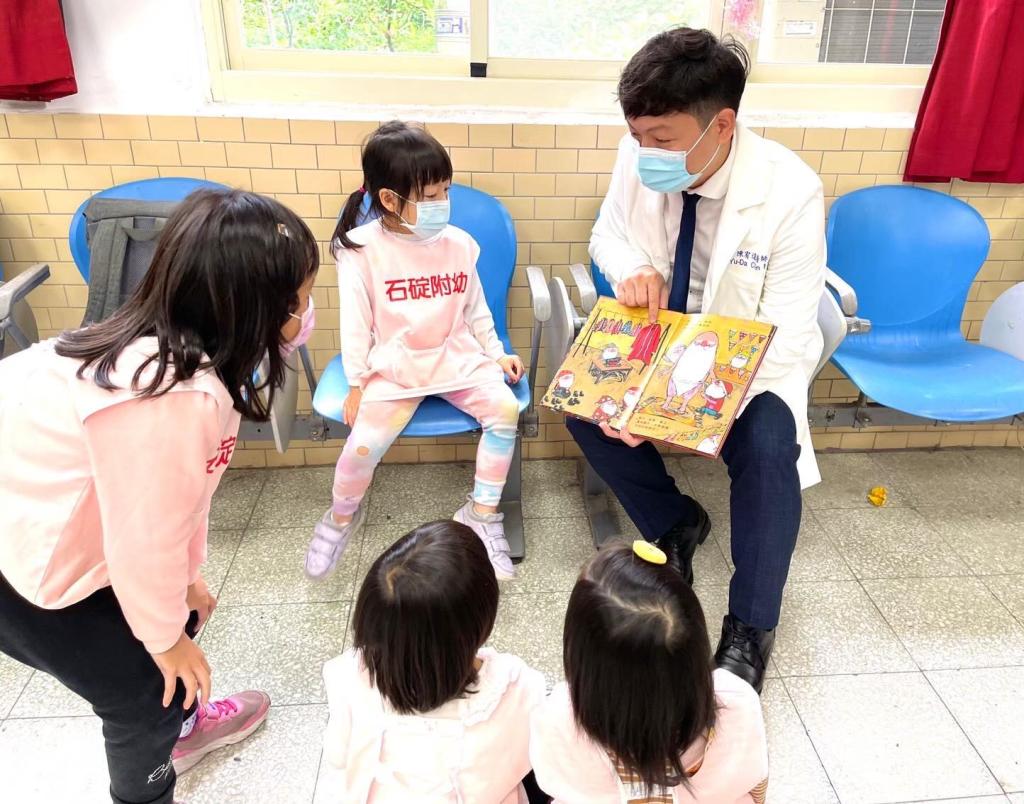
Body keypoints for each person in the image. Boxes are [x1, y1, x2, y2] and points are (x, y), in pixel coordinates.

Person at [0, 188, 320, 804]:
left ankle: (184, 725)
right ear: (256, 308)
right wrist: (164, 638)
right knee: (144, 690)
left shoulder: (180, 355)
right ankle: (150, 779)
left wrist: (185, 587)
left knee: (178, 613)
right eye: (301, 298)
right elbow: (145, 540)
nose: (306, 312)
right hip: (18, 549)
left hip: (45, 512)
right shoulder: (168, 397)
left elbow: (180, 502)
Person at [567, 27, 826, 692]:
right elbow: (607, 233)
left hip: (748, 367)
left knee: (769, 450)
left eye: (661, 138)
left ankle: (750, 627)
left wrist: (683, 409)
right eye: (637, 136)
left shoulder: (791, 191)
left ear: (723, 125)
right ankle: (677, 522)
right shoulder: (638, 155)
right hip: (658, 340)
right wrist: (633, 267)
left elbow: (788, 333)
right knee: (581, 405)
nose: (645, 153)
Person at [305, 120, 526, 582]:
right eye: (430, 195)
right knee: (361, 447)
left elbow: (476, 309)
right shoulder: (361, 251)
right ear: (389, 199)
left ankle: (482, 515)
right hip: (396, 368)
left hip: (457, 359)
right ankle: (340, 519)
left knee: (505, 410)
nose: (442, 203)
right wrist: (357, 383)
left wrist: (495, 353)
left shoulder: (459, 244)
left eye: (445, 191)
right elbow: (355, 323)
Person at [321, 520, 547, 802]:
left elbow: (338, 757)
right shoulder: (517, 687)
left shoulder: (346, 675)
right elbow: (537, 761)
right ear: (484, 617)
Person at [530, 541, 769, 803]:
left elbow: (551, 785)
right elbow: (757, 785)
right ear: (697, 645)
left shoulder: (560, 718)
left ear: (581, 660)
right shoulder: (738, 703)